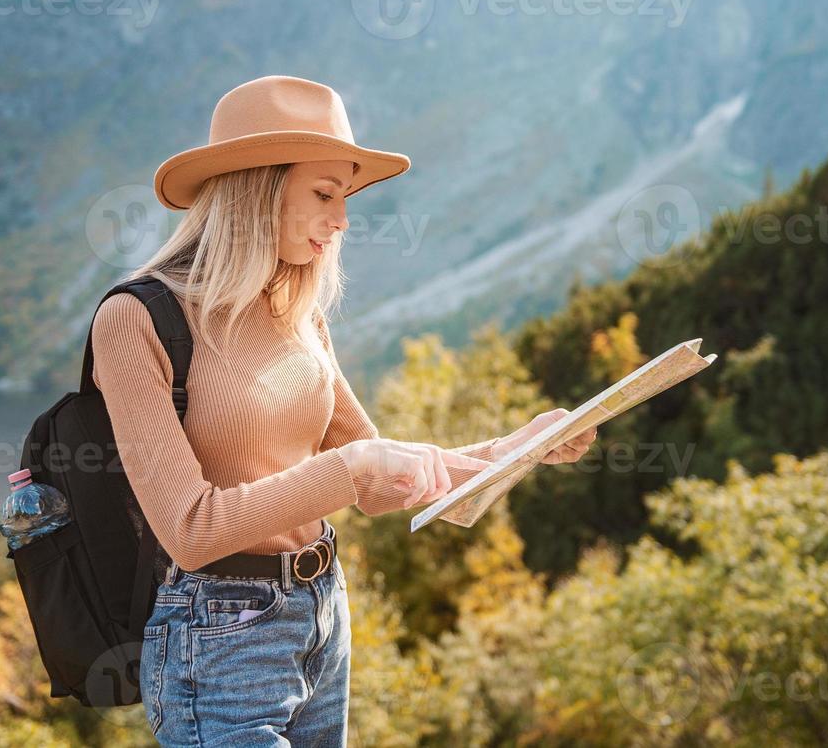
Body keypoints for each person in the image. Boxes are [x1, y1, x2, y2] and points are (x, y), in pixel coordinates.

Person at [90, 75, 597, 746]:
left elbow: (382, 481)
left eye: (345, 197)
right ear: (255, 187)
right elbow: (189, 529)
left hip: (323, 609)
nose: (342, 220)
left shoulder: (296, 312)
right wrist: (355, 468)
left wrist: (515, 448)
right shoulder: (136, 320)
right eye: (324, 195)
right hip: (217, 639)